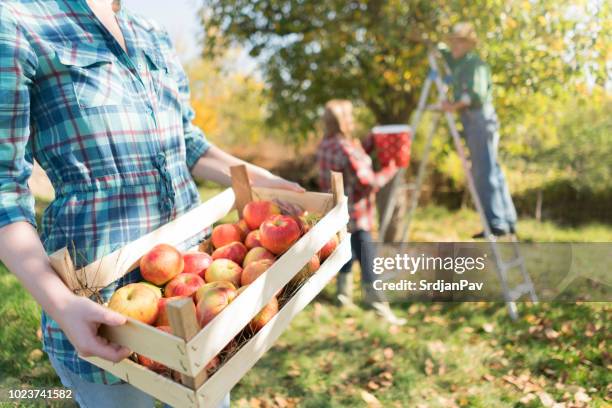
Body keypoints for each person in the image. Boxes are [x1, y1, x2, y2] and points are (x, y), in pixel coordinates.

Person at [0, 1, 302, 407]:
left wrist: (268, 182)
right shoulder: (19, 23)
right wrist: (61, 305)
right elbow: (4, 186)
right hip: (103, 315)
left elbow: (189, 144)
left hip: (199, 294)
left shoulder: (150, 33)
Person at [316, 100, 407, 326]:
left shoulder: (325, 145)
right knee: (368, 259)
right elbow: (367, 181)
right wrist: (390, 169)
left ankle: (342, 297)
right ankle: (379, 307)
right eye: (350, 117)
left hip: (336, 213)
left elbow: (348, 162)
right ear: (344, 122)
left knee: (346, 251)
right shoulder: (346, 148)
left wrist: (367, 145)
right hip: (357, 213)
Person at [439, 22, 518, 238]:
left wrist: (450, 107)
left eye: (458, 41)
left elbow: (474, 95)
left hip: (479, 119)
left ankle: (495, 221)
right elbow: (443, 53)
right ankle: (507, 219)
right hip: (475, 120)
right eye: (452, 41)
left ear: (468, 44)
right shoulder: (459, 62)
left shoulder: (475, 64)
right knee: (493, 168)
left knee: (483, 170)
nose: (454, 45)